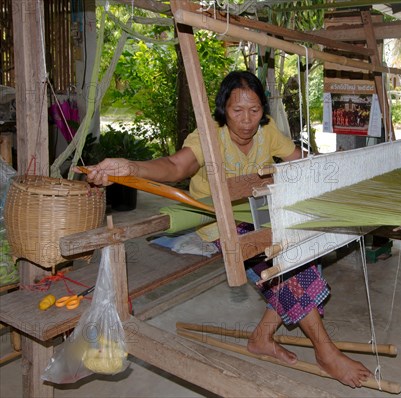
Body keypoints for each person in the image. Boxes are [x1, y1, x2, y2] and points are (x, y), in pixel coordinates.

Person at [81, 70, 372, 388]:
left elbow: (299, 161)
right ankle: (326, 352)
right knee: (281, 264)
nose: (247, 120)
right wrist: (131, 167)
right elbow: (176, 166)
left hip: (258, 214)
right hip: (217, 219)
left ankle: (261, 338)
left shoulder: (267, 131)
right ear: (223, 109)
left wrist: (340, 170)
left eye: (255, 110)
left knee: (302, 248)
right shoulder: (209, 136)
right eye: (237, 110)